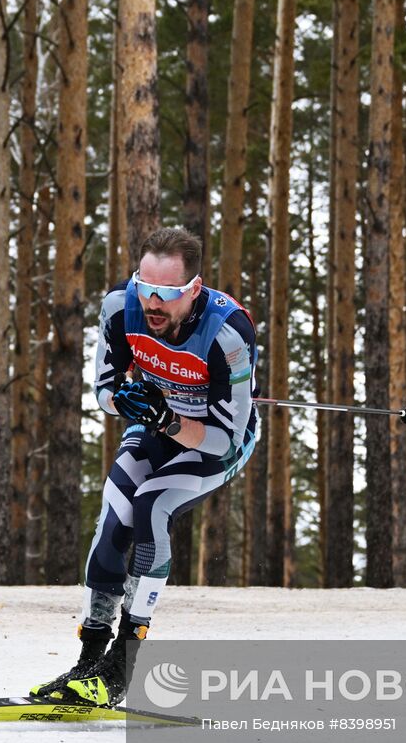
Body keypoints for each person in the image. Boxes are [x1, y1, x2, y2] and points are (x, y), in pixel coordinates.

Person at [33, 226, 258, 707]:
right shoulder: (121, 306)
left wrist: (169, 418)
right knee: (116, 513)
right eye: (145, 287)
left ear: (193, 289)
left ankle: (125, 663)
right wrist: (128, 404)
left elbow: (225, 439)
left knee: (152, 506)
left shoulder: (227, 334)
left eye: (168, 293)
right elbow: (104, 391)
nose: (153, 303)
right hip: (157, 424)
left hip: (211, 441)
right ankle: (90, 658)